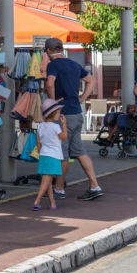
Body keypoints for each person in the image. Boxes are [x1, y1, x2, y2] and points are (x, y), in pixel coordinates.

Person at [44, 37, 104, 200]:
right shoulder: (73, 64)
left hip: (62, 114)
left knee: (62, 152)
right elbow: (92, 80)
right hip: (77, 113)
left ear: (49, 51)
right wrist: (83, 98)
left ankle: (59, 189)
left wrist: (52, 102)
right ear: (61, 49)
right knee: (79, 151)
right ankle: (94, 185)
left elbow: (50, 83)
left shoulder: (53, 65)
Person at [34, 98, 66, 210]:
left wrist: (40, 151)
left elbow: (38, 143)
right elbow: (64, 137)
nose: (59, 114)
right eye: (57, 112)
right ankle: (37, 201)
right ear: (52, 114)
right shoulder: (56, 127)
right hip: (54, 156)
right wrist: (64, 124)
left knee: (47, 180)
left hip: (44, 155)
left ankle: (52, 203)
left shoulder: (41, 126)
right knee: (46, 180)